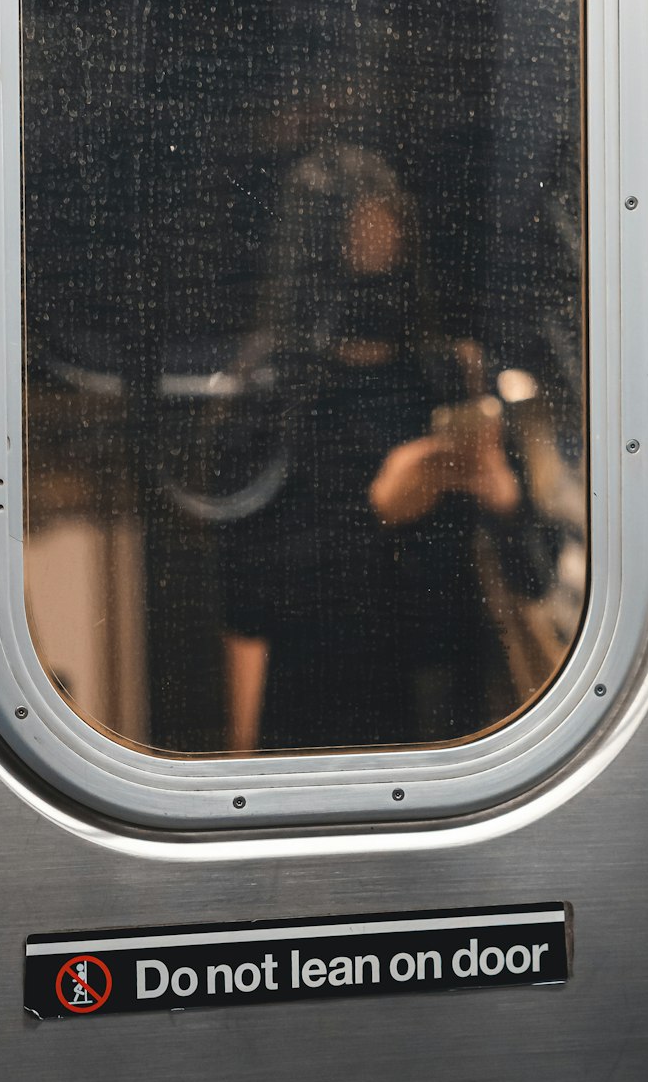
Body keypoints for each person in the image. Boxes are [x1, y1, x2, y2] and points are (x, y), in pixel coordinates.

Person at [221, 144, 531, 753]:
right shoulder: (273, 388)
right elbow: (248, 602)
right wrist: (375, 513)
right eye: (355, 252)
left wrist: (504, 493)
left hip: (453, 705)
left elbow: (531, 571)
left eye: (389, 249)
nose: (376, 272)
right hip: (321, 707)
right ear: (319, 261)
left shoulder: (451, 373)